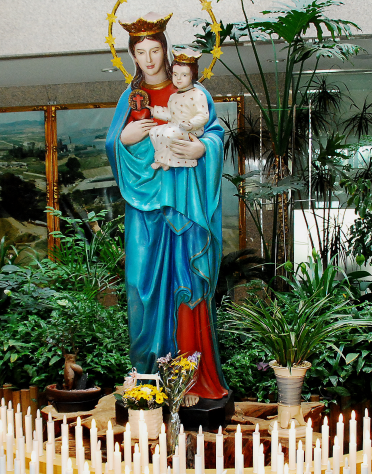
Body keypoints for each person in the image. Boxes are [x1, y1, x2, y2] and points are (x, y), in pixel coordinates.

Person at [105, 12, 228, 404]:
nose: (148, 59)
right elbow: (112, 142)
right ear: (132, 56)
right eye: (140, 52)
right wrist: (123, 140)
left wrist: (202, 148)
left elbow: (215, 133)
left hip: (184, 208)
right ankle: (147, 377)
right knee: (140, 285)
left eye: (155, 50)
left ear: (166, 50)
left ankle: (187, 380)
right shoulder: (130, 98)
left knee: (184, 283)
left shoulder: (191, 89)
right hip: (144, 211)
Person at [149, 49, 209, 171]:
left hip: (192, 129)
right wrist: (155, 111)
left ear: (192, 75)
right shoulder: (173, 96)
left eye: (184, 75)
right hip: (176, 125)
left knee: (169, 133)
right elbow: (171, 114)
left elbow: (203, 116)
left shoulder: (198, 94)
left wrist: (190, 124)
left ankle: (170, 160)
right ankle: (161, 159)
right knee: (154, 131)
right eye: (175, 74)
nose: (179, 78)